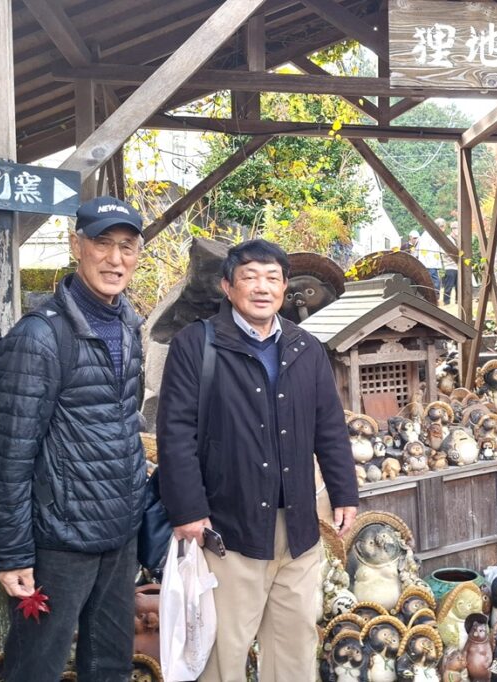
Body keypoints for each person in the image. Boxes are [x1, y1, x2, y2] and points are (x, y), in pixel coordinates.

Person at [157, 239, 359, 682]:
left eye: (272, 278)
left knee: (295, 649)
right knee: (222, 653)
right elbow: (176, 434)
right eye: (249, 277)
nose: (262, 287)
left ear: (285, 287)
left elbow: (329, 425)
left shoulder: (305, 347)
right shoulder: (197, 344)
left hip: (298, 528)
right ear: (227, 287)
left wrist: (344, 491)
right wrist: (188, 510)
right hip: (229, 529)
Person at [0, 196, 147, 681]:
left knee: (110, 667)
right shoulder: (40, 336)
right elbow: (8, 453)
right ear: (77, 246)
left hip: (118, 534)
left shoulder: (129, 325)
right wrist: (11, 553)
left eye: (127, 247)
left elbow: (121, 424)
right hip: (58, 541)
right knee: (36, 669)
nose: (115, 259)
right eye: (102, 243)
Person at [416, 220, 446, 296]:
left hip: (430, 263)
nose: (443, 230)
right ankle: (434, 296)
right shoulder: (429, 235)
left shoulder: (431, 234)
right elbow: (426, 250)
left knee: (433, 280)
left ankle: (434, 295)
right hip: (429, 263)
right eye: (442, 227)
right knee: (433, 281)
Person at [439, 223, 459, 305]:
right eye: (456, 229)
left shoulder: (458, 240)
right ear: (452, 229)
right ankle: (446, 302)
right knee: (448, 286)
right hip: (449, 266)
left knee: (459, 286)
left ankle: (458, 301)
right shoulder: (448, 239)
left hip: (458, 267)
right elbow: (444, 252)